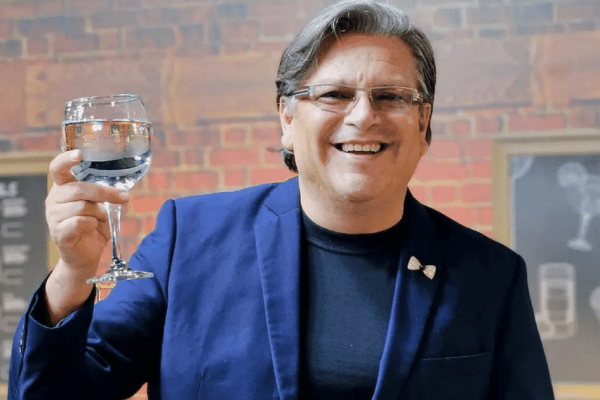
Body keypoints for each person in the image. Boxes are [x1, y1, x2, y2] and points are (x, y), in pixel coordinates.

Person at [9, 1, 554, 399]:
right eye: (335, 94)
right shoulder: (188, 239)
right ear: (287, 120)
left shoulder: (491, 277)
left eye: (390, 96)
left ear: (423, 123)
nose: (364, 116)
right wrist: (73, 275)